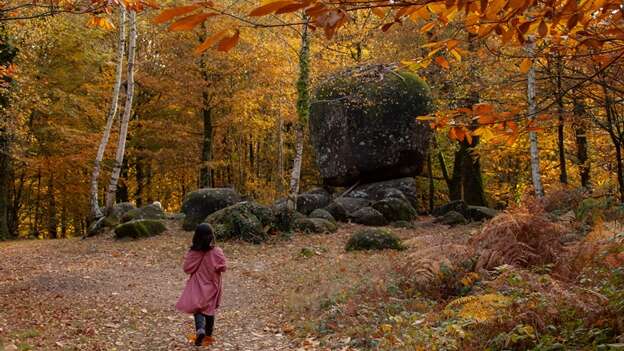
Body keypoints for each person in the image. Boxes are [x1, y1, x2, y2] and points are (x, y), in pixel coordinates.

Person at [176, 223, 227, 346]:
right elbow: (223, 267)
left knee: (198, 308)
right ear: (211, 237)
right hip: (212, 285)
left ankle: (200, 330)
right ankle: (208, 336)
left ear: (196, 237)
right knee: (209, 309)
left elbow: (187, 269)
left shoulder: (193, 253)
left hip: (197, 284)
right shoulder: (217, 251)